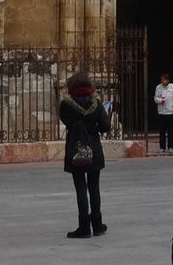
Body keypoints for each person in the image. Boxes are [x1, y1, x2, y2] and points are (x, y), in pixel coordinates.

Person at [61, 71, 112, 239]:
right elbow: (105, 126)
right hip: (94, 149)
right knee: (94, 187)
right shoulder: (96, 103)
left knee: (80, 188)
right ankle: (97, 225)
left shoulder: (66, 104)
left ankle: (84, 226)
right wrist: (92, 128)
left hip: (76, 148)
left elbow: (66, 122)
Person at [154, 72, 173, 154]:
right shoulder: (158, 87)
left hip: (170, 113)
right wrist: (160, 101)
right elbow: (155, 98)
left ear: (167, 80)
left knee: (170, 131)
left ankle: (170, 147)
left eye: (164, 80)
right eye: (161, 79)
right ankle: (162, 147)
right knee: (161, 131)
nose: (162, 81)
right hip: (161, 112)